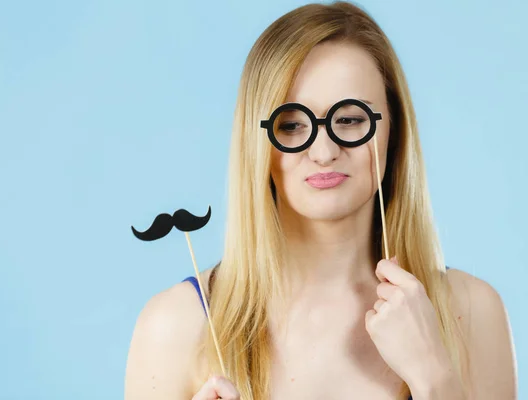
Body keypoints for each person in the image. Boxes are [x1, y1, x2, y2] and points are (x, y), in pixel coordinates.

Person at [124, 2, 518, 399]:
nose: (324, 151)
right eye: (291, 125)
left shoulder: (472, 311)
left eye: (349, 120)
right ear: (256, 142)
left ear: (392, 130)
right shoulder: (174, 325)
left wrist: (435, 380)